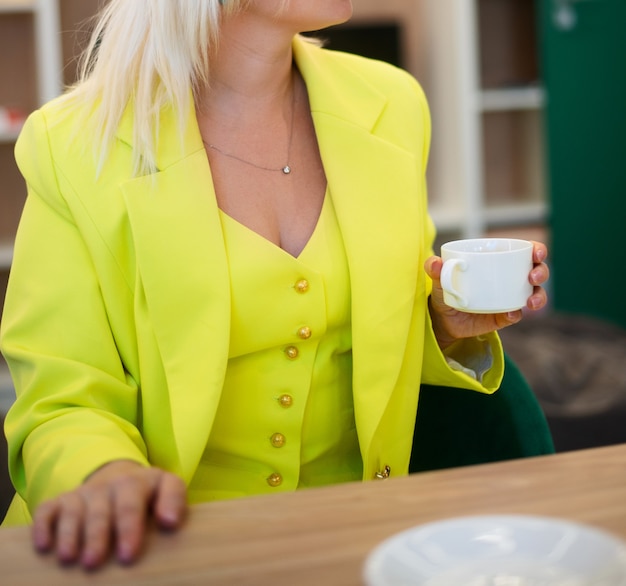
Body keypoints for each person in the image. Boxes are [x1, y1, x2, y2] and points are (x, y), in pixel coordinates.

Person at [0, 0, 549, 570]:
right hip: (156, 548)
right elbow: (61, 395)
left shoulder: (392, 102)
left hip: (353, 537)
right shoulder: (71, 143)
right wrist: (104, 474)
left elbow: (389, 342)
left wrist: (444, 324)